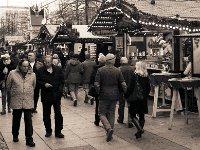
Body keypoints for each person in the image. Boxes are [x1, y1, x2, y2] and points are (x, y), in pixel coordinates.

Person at [94, 53, 127, 142]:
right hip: (114, 94)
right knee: (111, 113)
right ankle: (110, 132)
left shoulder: (100, 70)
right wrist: (124, 92)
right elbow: (123, 83)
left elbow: (96, 84)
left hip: (103, 94)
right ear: (112, 60)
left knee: (101, 113)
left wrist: (98, 92)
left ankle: (108, 129)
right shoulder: (117, 70)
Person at [6, 59, 36, 147]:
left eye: (27, 66)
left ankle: (29, 139)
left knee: (28, 120)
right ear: (20, 66)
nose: (26, 68)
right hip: (16, 100)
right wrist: (15, 92)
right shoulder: (12, 73)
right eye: (24, 66)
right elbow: (8, 86)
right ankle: (15, 135)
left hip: (27, 100)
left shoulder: (33, 75)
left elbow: (33, 86)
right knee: (16, 119)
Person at [37, 55, 64, 138]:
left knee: (58, 114)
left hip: (56, 94)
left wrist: (60, 91)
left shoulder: (58, 69)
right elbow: (37, 81)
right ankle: (48, 130)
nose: (47, 64)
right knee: (46, 114)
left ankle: (58, 131)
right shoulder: (40, 70)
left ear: (52, 62)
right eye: (45, 62)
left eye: (48, 62)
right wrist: (44, 84)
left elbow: (62, 80)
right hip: (46, 95)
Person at [125, 61, 150, 139]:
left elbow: (130, 88)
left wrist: (126, 95)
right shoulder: (146, 76)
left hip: (135, 98)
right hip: (143, 98)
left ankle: (140, 129)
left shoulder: (135, 75)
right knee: (142, 115)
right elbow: (149, 88)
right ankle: (139, 132)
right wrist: (145, 95)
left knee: (132, 115)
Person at [118, 57, 135, 127]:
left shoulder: (119, 69)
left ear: (121, 62)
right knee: (130, 105)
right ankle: (130, 120)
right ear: (127, 61)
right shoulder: (132, 69)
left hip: (121, 89)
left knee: (121, 104)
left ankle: (121, 118)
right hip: (130, 89)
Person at [90, 53, 106, 126]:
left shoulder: (95, 69)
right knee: (106, 106)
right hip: (105, 90)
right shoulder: (106, 68)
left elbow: (92, 79)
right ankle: (105, 120)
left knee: (98, 105)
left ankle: (97, 121)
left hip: (98, 90)